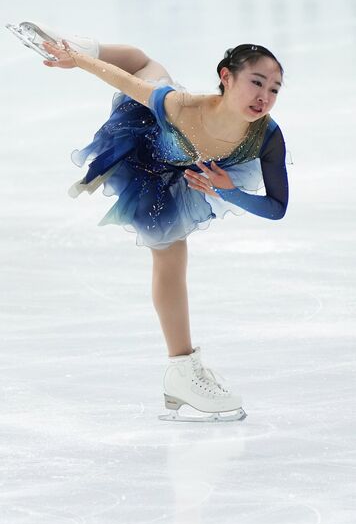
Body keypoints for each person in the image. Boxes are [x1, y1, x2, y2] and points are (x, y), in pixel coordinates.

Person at [9, 22, 289, 421]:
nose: (264, 97)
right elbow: (124, 79)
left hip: (184, 171)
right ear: (226, 77)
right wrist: (79, 60)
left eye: (274, 89)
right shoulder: (179, 105)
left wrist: (229, 192)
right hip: (147, 147)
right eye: (256, 82)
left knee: (172, 257)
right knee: (144, 65)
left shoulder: (267, 136)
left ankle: (180, 369)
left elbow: (277, 207)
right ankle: (181, 368)